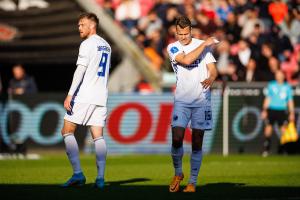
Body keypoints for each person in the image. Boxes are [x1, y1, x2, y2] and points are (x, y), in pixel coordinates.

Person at [166, 16, 218, 193]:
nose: (183, 37)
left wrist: (211, 77)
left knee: (197, 142)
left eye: (186, 33)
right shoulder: (173, 47)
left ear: (191, 31)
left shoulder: (201, 45)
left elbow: (213, 69)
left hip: (202, 100)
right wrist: (204, 44)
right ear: (176, 32)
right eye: (179, 34)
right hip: (182, 101)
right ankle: (178, 172)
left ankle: (192, 182)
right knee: (177, 138)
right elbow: (187, 60)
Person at [61, 12, 111, 189]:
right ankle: (100, 178)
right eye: (78, 25)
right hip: (101, 96)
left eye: (82, 24)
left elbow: (80, 71)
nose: (79, 28)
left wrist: (70, 94)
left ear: (92, 25)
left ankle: (77, 174)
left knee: (67, 131)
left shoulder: (87, 44)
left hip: (85, 94)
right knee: (98, 136)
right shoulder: (106, 45)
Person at [261, 70, 295, 157]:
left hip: (282, 110)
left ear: (283, 76)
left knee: (283, 130)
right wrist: (264, 110)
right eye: (277, 74)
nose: (278, 76)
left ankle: (284, 149)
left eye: (280, 74)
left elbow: (290, 101)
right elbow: (268, 98)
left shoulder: (287, 87)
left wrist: (291, 113)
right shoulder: (271, 85)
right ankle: (266, 149)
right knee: (268, 129)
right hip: (272, 110)